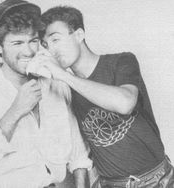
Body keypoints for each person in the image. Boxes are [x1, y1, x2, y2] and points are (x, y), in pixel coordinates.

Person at [39, 6, 174, 188]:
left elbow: (125, 102)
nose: (52, 50)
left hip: (158, 180)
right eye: (46, 45)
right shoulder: (66, 89)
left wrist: (64, 75)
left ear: (79, 35)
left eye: (56, 39)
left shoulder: (122, 61)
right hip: (110, 184)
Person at [0, 1, 92, 188]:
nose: (29, 51)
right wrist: (15, 111)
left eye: (33, 41)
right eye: (17, 43)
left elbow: (78, 153)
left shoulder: (57, 84)